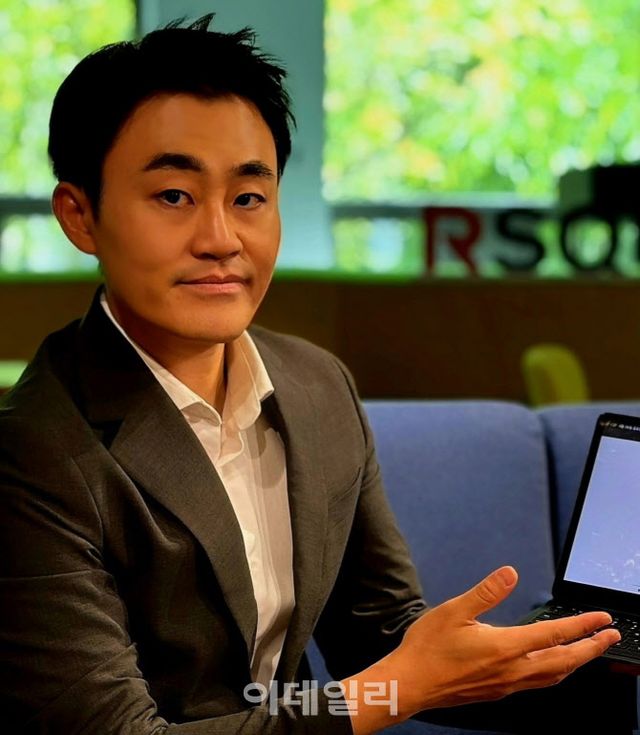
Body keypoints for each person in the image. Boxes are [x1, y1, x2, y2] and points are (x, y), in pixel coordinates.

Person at [0, 14, 635, 735]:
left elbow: (383, 638)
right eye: (174, 196)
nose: (220, 239)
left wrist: (590, 652)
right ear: (80, 215)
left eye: (249, 197)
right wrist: (386, 693)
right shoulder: (33, 450)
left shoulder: (314, 383)